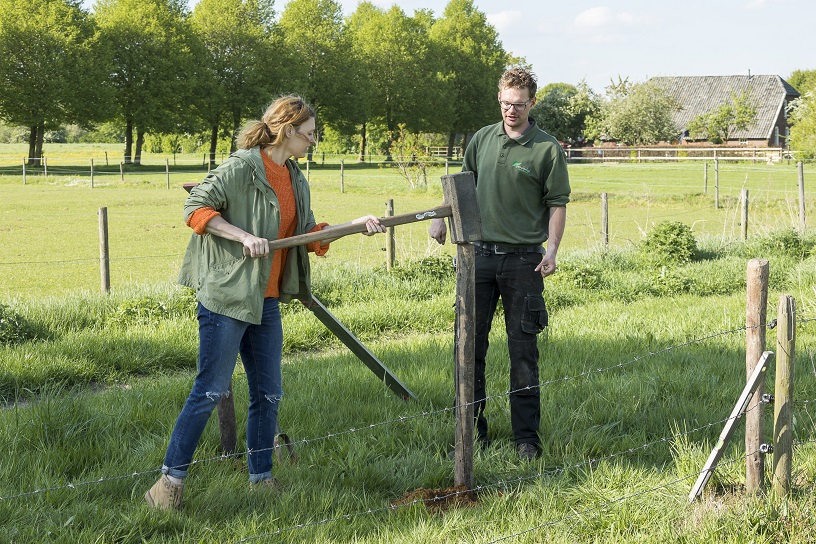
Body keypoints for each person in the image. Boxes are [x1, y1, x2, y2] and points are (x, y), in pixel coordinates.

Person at [145, 95, 384, 510]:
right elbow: (195, 208)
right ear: (288, 130)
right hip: (227, 296)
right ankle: (168, 486)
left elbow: (308, 235)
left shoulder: (295, 177)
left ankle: (261, 479)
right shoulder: (241, 167)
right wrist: (242, 236)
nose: (313, 142)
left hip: (266, 300)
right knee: (209, 390)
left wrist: (352, 226)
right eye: (309, 134)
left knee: (269, 393)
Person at [429, 68, 570, 461]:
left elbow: (557, 204)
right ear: (499, 99)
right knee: (468, 346)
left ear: (532, 103)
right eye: (506, 103)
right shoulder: (481, 139)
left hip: (524, 261)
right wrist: (441, 215)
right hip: (476, 258)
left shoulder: (546, 149)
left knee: (522, 350)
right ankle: (470, 431)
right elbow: (462, 182)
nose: (511, 110)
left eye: (519, 104)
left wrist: (552, 249)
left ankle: (526, 440)